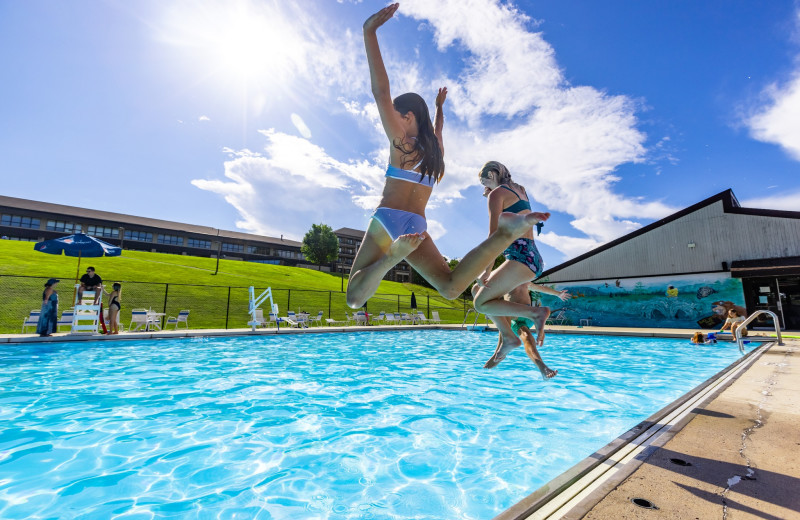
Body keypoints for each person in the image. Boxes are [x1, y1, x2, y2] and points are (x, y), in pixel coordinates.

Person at [346, 3, 542, 309]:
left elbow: (381, 92)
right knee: (451, 288)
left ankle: (391, 259)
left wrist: (368, 32)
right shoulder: (434, 153)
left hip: (388, 218)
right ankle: (503, 237)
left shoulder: (402, 143)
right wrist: (439, 109)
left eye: (397, 116)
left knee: (355, 299)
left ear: (407, 116)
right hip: (415, 224)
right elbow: (438, 129)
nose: (391, 120)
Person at [472, 161, 552, 363]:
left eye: (484, 181)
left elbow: (493, 237)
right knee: (477, 291)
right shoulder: (520, 190)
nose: (485, 188)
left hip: (519, 257)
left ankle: (535, 314)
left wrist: (486, 271)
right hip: (532, 257)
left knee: (480, 303)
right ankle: (507, 338)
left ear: (492, 173)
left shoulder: (497, 194)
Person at [484, 282, 571, 375]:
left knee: (525, 336)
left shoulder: (525, 281)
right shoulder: (506, 281)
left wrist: (558, 293)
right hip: (515, 318)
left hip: (528, 316)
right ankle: (542, 367)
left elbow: (541, 288)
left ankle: (498, 354)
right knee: (527, 337)